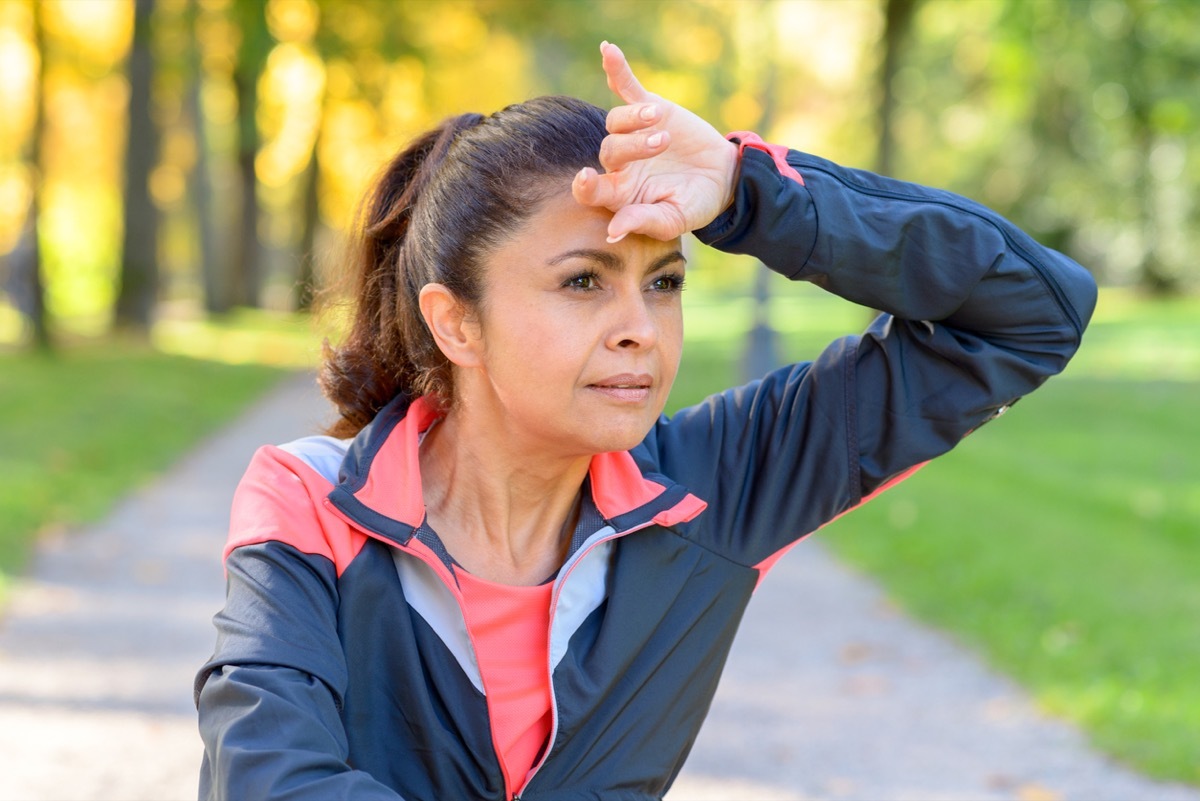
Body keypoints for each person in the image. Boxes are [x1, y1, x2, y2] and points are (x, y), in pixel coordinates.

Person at [195, 42, 1096, 801]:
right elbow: (274, 778)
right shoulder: (315, 501)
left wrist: (750, 191)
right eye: (583, 281)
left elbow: (1033, 312)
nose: (639, 327)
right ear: (455, 321)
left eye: (662, 282)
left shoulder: (717, 487)